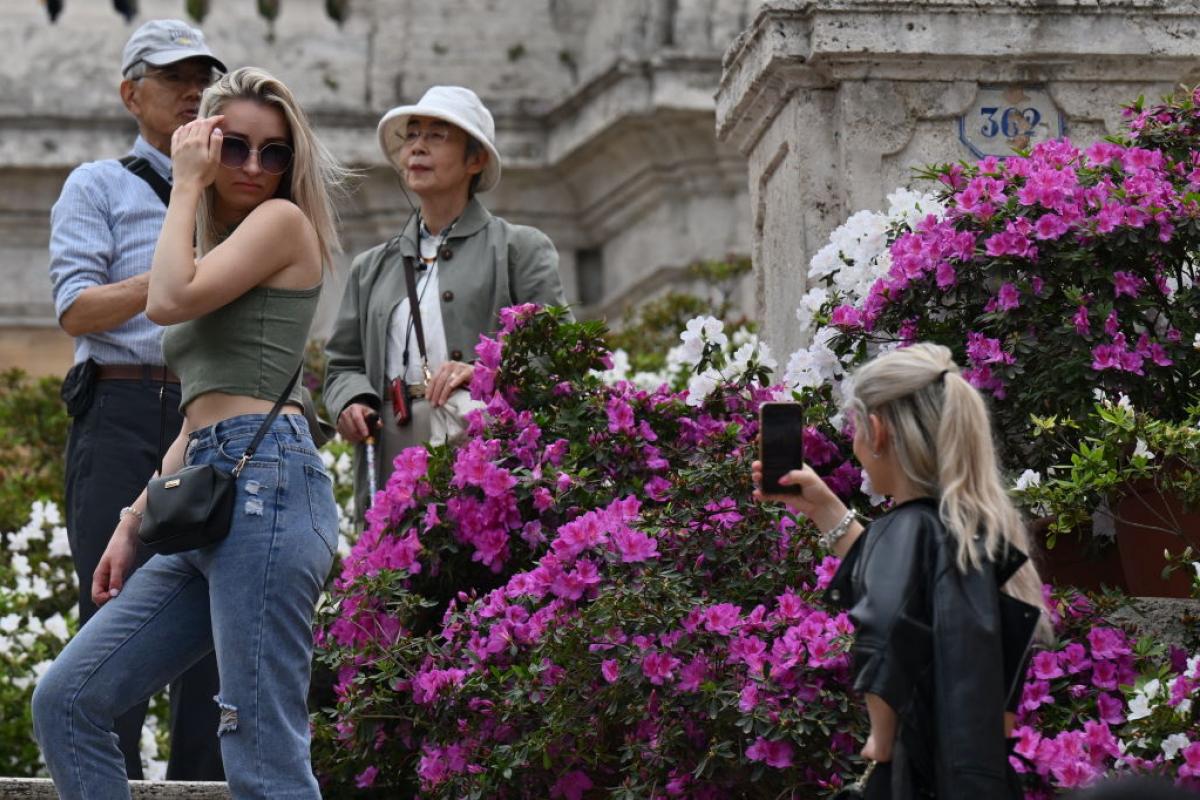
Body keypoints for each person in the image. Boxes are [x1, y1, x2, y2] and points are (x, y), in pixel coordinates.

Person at [33, 66, 346, 799]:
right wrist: (133, 519)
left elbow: (167, 301)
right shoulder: (221, 250)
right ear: (205, 140)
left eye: (274, 153)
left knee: (259, 749)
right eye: (234, 146)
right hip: (208, 488)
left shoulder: (281, 224)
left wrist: (183, 184)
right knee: (70, 701)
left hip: (268, 483)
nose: (253, 167)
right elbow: (200, 409)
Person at [46, 18, 226, 781]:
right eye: (173, 78)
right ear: (132, 94)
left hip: (211, 412)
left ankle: (202, 786)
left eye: (203, 79)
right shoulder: (98, 184)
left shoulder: (240, 188)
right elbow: (76, 309)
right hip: (118, 413)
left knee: (217, 621)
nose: (193, 93)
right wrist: (173, 278)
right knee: (110, 610)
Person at [752, 343, 1049, 799]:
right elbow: (1000, 713)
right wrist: (827, 511)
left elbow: (885, 628)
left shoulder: (908, 526)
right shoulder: (978, 539)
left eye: (855, 429)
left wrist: (881, 736)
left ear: (877, 430)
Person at [325, 85, 569, 516]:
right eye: (412, 135)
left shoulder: (519, 248)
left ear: (475, 160)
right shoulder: (371, 267)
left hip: (485, 448)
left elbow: (559, 351)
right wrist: (351, 401)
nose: (417, 146)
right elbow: (343, 364)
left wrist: (484, 372)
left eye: (437, 136)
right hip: (392, 444)